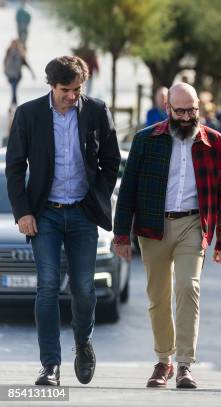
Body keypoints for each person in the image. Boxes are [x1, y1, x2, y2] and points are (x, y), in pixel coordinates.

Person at [5, 56, 120, 386]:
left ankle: (83, 344)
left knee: (84, 289)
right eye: (66, 90)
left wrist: (98, 197)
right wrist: (23, 212)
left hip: (83, 213)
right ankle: (50, 366)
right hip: (45, 216)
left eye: (78, 89)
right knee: (48, 286)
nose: (73, 96)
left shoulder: (96, 110)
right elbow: (14, 167)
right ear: (51, 86)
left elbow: (110, 161)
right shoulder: (29, 114)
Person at [113, 83, 221, 389]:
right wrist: (121, 236)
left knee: (187, 287)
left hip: (193, 225)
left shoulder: (215, 143)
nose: (186, 116)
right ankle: (163, 360)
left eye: (191, 110)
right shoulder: (145, 140)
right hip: (153, 227)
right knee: (158, 296)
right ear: (168, 108)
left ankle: (184, 364)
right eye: (179, 111)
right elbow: (127, 190)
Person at [4, 39, 35, 106]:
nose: (13, 45)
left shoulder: (20, 54)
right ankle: (14, 104)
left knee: (14, 89)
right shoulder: (8, 52)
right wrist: (5, 72)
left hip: (17, 75)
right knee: (14, 89)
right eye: (12, 44)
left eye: (15, 44)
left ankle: (13, 104)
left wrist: (32, 74)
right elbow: (5, 63)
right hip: (10, 75)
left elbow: (26, 64)